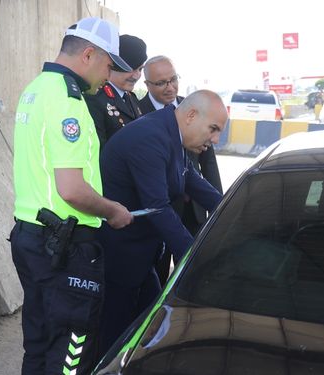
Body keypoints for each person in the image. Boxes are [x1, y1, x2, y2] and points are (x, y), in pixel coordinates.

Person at [10, 17, 134, 375]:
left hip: (32, 237)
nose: (108, 76)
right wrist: (112, 210)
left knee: (37, 345)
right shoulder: (69, 102)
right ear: (89, 54)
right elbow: (72, 188)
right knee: (70, 353)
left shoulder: (36, 88)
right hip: (65, 248)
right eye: (109, 65)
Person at [97, 89, 227, 357]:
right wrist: (194, 259)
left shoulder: (171, 133)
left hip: (141, 258)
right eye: (213, 129)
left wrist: (233, 210)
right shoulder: (151, 138)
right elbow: (158, 208)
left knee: (153, 330)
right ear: (191, 115)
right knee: (115, 340)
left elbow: (194, 182)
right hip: (121, 259)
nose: (215, 139)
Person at [138, 55, 223, 286]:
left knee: (191, 275)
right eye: (162, 83)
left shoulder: (194, 107)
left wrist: (221, 208)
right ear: (147, 85)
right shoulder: (138, 113)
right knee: (159, 275)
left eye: (173, 79)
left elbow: (209, 164)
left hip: (193, 207)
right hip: (161, 208)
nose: (170, 87)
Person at [85, 34, 147, 149]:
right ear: (115, 65)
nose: (137, 75)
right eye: (131, 69)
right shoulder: (96, 98)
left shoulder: (131, 98)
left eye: (140, 69)